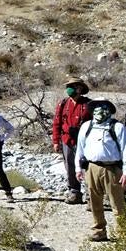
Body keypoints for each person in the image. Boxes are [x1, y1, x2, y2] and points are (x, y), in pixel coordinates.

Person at [75, 97, 126, 242]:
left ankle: (124, 235)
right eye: (96, 106)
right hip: (91, 168)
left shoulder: (118, 127)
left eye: (104, 106)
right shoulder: (86, 126)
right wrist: (78, 168)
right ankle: (99, 231)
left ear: (110, 109)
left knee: (117, 203)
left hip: (112, 169)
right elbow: (80, 149)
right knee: (94, 202)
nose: (100, 109)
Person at [52, 76, 92, 204]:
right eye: (68, 86)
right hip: (67, 139)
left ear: (80, 89)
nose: (69, 89)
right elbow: (56, 123)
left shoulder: (88, 104)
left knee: (88, 166)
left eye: (73, 86)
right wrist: (56, 141)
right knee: (70, 165)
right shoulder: (63, 104)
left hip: (86, 141)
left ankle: (92, 196)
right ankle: (75, 192)